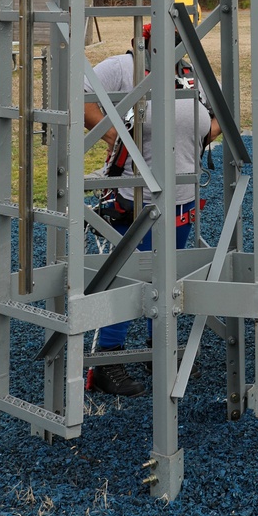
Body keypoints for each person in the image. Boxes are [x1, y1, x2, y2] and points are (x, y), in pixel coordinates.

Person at [87, 70, 215, 397]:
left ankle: (158, 350)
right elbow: (118, 141)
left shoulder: (192, 81)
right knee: (131, 279)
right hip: (138, 202)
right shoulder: (138, 85)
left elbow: (218, 121)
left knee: (165, 279)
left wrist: (197, 141)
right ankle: (107, 358)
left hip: (182, 199)